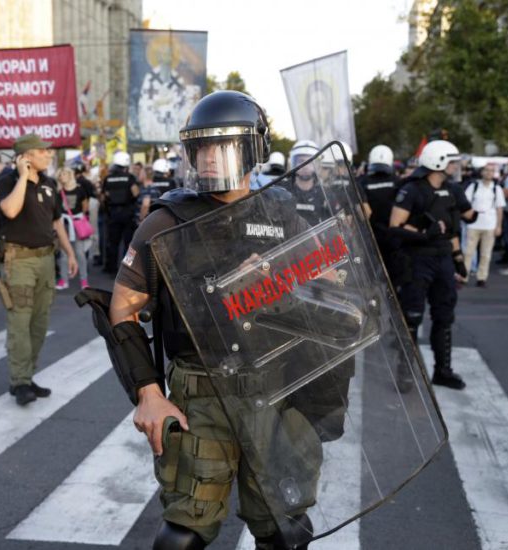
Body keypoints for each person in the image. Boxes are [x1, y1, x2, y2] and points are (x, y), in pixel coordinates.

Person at [99, 91, 317, 549]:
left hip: (275, 388)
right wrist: (149, 394)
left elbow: (321, 277)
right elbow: (122, 309)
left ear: (254, 149)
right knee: (184, 533)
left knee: (286, 529)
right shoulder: (167, 222)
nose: (210, 160)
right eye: (200, 149)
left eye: (223, 147)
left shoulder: (279, 211)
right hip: (203, 392)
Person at [0, 134, 78, 406]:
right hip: (18, 260)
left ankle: (27, 375)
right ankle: (19, 381)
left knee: (39, 322)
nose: (49, 155)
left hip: (46, 260)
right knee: (20, 321)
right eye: (43, 152)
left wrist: (69, 252)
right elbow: (9, 210)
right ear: (26, 156)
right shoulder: (8, 181)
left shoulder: (49, 183)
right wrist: (22, 177)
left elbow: (56, 222)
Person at [389, 140, 475, 390]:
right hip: (418, 261)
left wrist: (458, 260)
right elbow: (396, 226)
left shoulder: (452, 190)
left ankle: (443, 370)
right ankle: (405, 373)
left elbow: (452, 229)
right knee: (413, 317)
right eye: (452, 161)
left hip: (444, 260)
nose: (457, 165)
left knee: (444, 315)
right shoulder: (412, 190)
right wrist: (422, 234)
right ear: (438, 161)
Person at [358, 145, 402, 283]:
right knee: (393, 278)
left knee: (370, 277)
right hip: (392, 235)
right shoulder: (397, 181)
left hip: (371, 236)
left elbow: (364, 212)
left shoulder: (362, 181)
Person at [463, 164, 505, 287]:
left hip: (489, 224)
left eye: (491, 171)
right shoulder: (474, 186)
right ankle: (463, 276)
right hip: (473, 224)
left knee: (485, 253)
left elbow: (499, 208)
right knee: (468, 252)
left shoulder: (496, 189)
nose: (488, 173)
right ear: (482, 172)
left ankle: (482, 277)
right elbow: (465, 202)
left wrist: (499, 226)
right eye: (486, 170)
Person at [101, 151, 139, 274]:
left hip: (113, 214)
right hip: (127, 213)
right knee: (129, 243)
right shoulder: (129, 177)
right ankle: (128, 268)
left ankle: (111, 268)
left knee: (113, 243)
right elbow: (135, 193)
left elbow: (104, 197)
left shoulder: (108, 178)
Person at [55, 167, 90, 290]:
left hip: (77, 223)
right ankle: (64, 280)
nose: (61, 177)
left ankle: (84, 280)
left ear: (70, 175)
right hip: (64, 223)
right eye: (60, 175)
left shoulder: (80, 189)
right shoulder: (59, 192)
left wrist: (79, 219)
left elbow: (85, 206)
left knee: (80, 253)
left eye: (63, 174)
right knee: (64, 253)